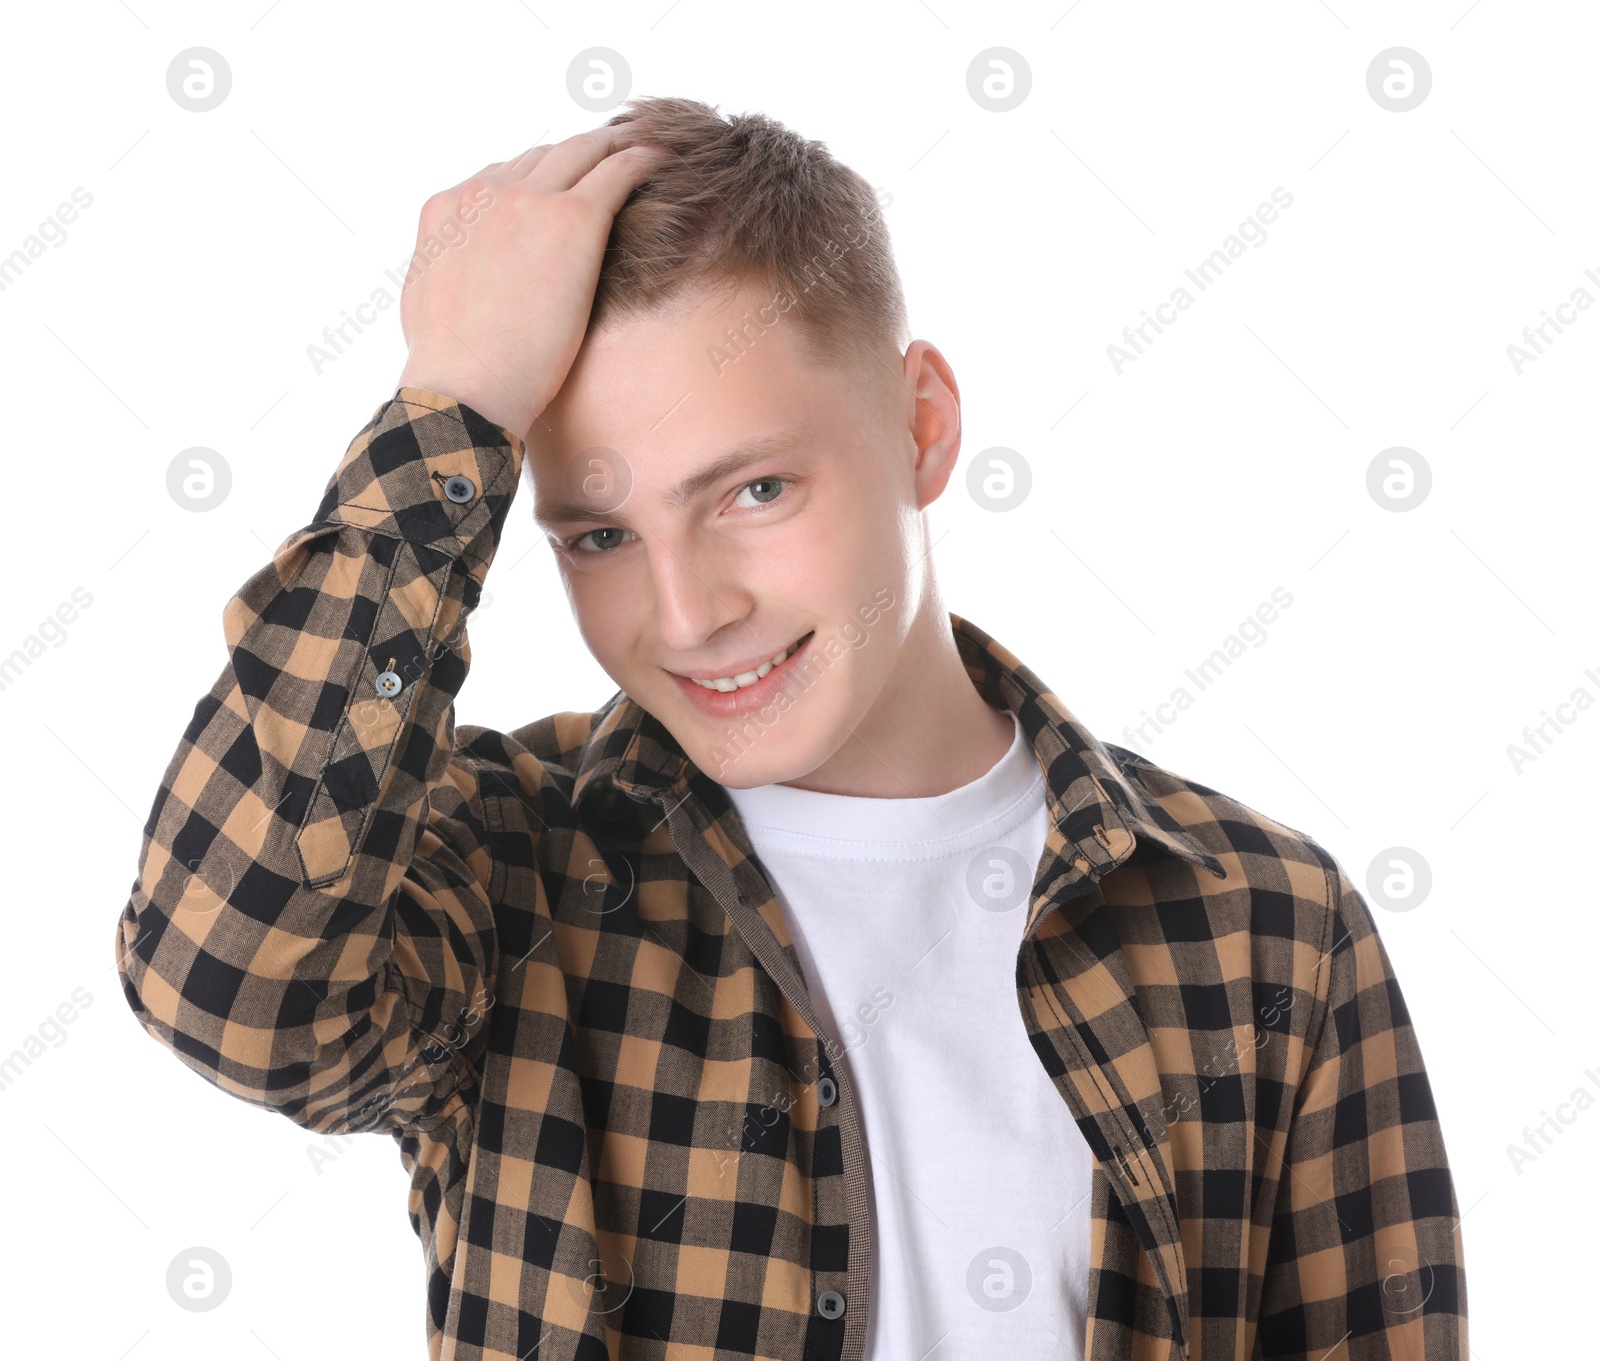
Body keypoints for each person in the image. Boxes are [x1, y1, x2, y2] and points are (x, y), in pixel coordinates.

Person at [113, 96, 1468, 1360]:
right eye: (598, 533)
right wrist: (454, 403)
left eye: (754, 489)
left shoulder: (1262, 923)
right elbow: (226, 977)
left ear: (922, 424)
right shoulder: (506, 859)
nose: (689, 614)